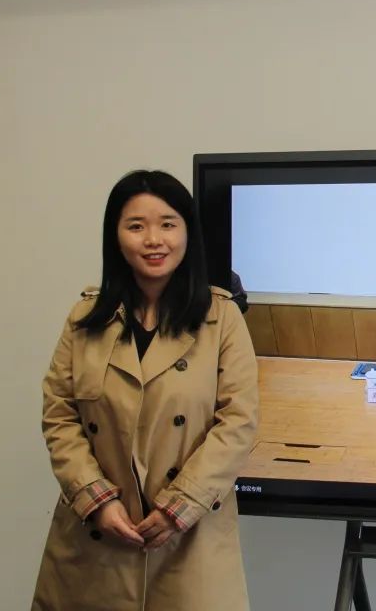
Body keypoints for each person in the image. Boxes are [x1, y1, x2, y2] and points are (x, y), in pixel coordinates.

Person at [32, 170, 260, 611]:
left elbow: (239, 421)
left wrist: (182, 504)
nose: (154, 239)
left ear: (188, 233)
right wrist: (96, 499)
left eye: (168, 224)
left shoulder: (222, 318)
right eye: (136, 226)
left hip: (190, 538)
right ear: (115, 237)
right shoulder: (84, 319)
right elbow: (59, 415)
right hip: (96, 539)